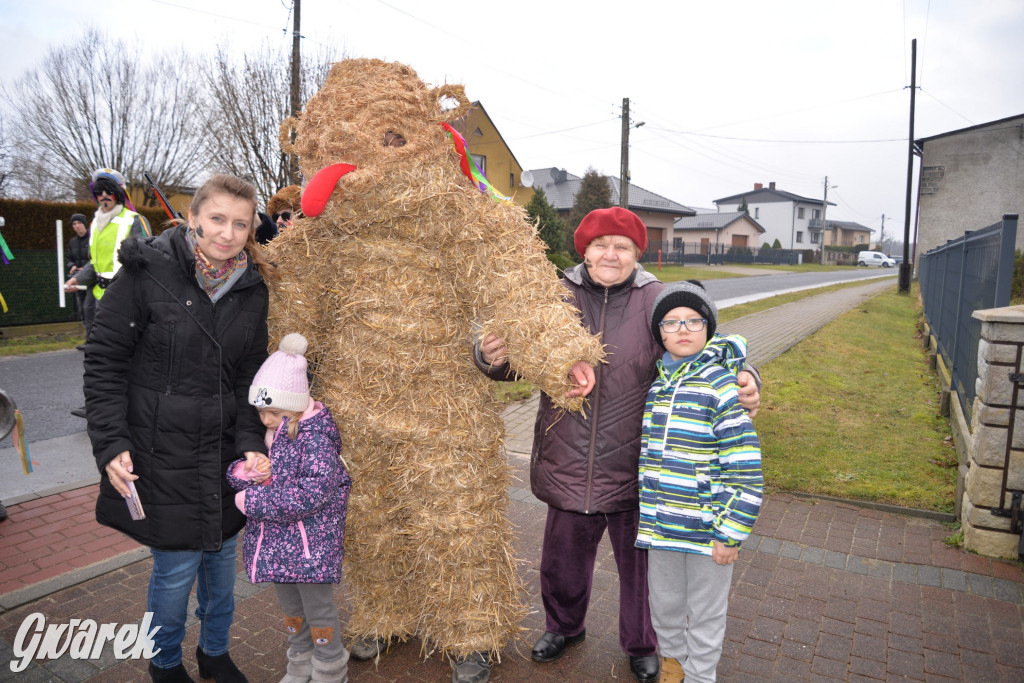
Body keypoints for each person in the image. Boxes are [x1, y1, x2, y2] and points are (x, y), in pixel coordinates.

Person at [477, 207, 760, 683]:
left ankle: (643, 644)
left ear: (637, 254)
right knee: (562, 560)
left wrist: (748, 374)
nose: (611, 254)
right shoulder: (552, 295)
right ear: (583, 250)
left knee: (642, 570)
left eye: (622, 246)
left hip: (638, 463)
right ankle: (564, 627)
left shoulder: (657, 299)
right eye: (601, 245)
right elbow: (517, 353)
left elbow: (705, 340)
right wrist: (489, 357)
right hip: (567, 455)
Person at [84, 174, 274, 683]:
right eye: (217, 219)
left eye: (240, 223)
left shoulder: (253, 289)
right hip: (160, 454)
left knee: (221, 567)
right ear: (193, 218)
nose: (227, 233)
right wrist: (111, 444)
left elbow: (247, 381)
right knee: (174, 574)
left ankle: (214, 653)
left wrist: (252, 446)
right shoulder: (147, 273)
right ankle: (164, 662)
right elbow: (104, 363)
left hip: (221, 459)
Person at [637, 280, 762, 683]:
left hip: (708, 532)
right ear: (660, 334)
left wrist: (730, 533)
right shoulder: (659, 386)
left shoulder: (722, 387)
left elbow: (746, 470)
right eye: (671, 323)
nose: (683, 329)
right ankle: (672, 668)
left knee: (706, 615)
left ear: (709, 328)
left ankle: (701, 676)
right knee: (665, 606)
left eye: (693, 320)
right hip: (662, 529)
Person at [227, 332, 352, 683]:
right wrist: (246, 473)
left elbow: (311, 493)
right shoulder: (272, 436)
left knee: (318, 608)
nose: (265, 419)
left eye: (274, 411)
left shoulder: (314, 439)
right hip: (277, 545)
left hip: (310, 546)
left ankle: (330, 668)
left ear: (297, 404)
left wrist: (253, 501)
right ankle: (299, 663)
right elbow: (249, 478)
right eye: (261, 411)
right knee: (292, 610)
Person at [65, 168, 152, 418]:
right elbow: (95, 262)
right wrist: (77, 279)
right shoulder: (96, 222)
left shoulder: (134, 220)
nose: (104, 196)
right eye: (99, 192)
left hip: (124, 298)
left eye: (109, 191)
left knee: (123, 354)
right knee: (96, 356)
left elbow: (148, 258)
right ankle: (95, 403)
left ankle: (132, 403)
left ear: (119, 194)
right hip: (96, 300)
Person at [66, 213, 94, 345]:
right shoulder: (72, 242)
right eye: (74, 224)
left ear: (84, 223)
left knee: (90, 309)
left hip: (92, 281)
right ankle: (89, 338)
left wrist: (86, 271)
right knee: (82, 310)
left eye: (79, 223)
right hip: (77, 281)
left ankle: (94, 339)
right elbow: (69, 259)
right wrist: (72, 266)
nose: (77, 226)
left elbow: (96, 259)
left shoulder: (94, 238)